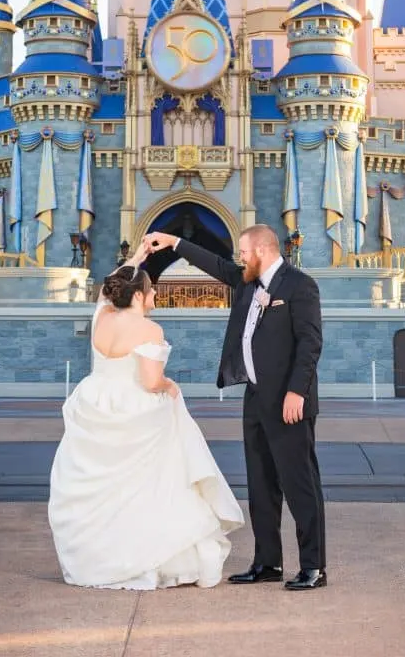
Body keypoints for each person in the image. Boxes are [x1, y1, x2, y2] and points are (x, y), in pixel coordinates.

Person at [48, 242, 243, 589]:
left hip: (96, 400)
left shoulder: (102, 316)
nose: (156, 295)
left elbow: (110, 284)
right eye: (152, 289)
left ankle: (100, 558)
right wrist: (170, 386)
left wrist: (135, 259)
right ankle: (150, 557)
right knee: (149, 486)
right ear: (138, 295)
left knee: (107, 488)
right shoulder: (149, 330)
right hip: (134, 407)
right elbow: (151, 381)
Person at [146, 225, 326, 591]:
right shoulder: (247, 281)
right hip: (256, 397)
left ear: (261, 249)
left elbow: (310, 343)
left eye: (243, 252)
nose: (239, 259)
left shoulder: (299, 285)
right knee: (261, 485)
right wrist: (175, 243)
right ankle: (267, 563)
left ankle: (313, 567)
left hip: (289, 401)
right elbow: (215, 265)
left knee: (299, 485)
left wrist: (297, 392)